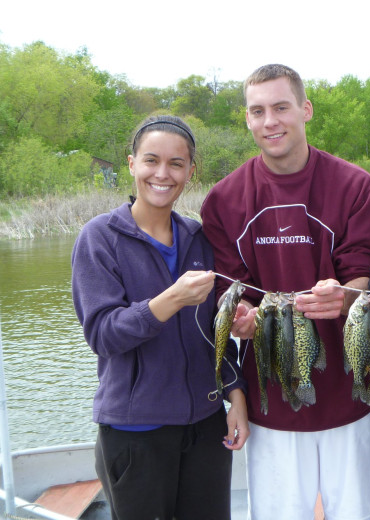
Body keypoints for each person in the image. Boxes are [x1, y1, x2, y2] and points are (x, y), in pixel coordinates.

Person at [199, 64, 370, 519]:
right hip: (272, 404)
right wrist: (243, 318)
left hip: (351, 395)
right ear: (246, 119)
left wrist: (342, 296)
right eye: (257, 111)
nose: (270, 121)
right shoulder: (222, 200)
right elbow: (232, 292)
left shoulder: (355, 185)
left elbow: (361, 279)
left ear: (305, 110)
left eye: (281, 107)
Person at [71, 115, 249, 520]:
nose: (162, 174)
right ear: (132, 163)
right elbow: (103, 335)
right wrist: (169, 300)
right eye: (151, 161)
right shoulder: (99, 238)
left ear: (191, 171)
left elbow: (215, 334)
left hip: (206, 427)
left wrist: (235, 396)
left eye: (176, 164)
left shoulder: (199, 238)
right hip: (136, 434)